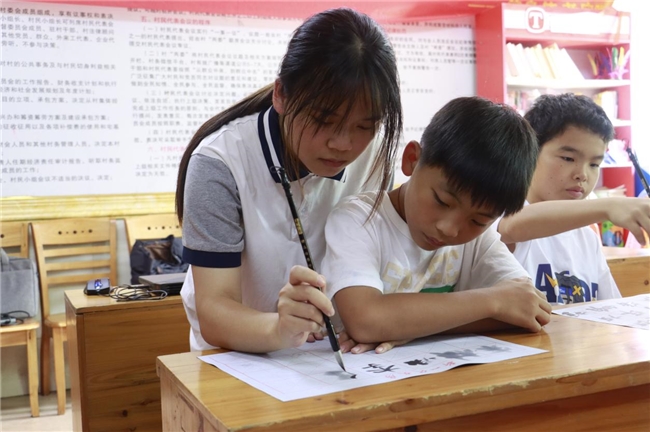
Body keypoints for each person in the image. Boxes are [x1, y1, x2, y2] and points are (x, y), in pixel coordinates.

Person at [175, 8, 403, 353]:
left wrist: (394, 324)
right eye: (324, 120)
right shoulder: (220, 164)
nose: (343, 144)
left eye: (364, 126)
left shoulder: (374, 157)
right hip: (233, 359)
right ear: (281, 94)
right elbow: (214, 310)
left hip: (339, 356)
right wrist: (278, 330)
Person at [321, 96, 551, 351]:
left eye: (478, 220)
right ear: (412, 160)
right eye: (442, 201)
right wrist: (492, 302)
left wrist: (409, 327)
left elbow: (530, 309)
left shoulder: (478, 240)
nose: (449, 228)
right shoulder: (358, 220)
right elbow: (365, 320)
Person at [495, 94, 649, 303]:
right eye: (568, 158)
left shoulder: (586, 238)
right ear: (529, 153)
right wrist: (609, 206)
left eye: (594, 164)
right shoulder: (500, 213)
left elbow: (611, 309)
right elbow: (511, 227)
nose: (582, 174)